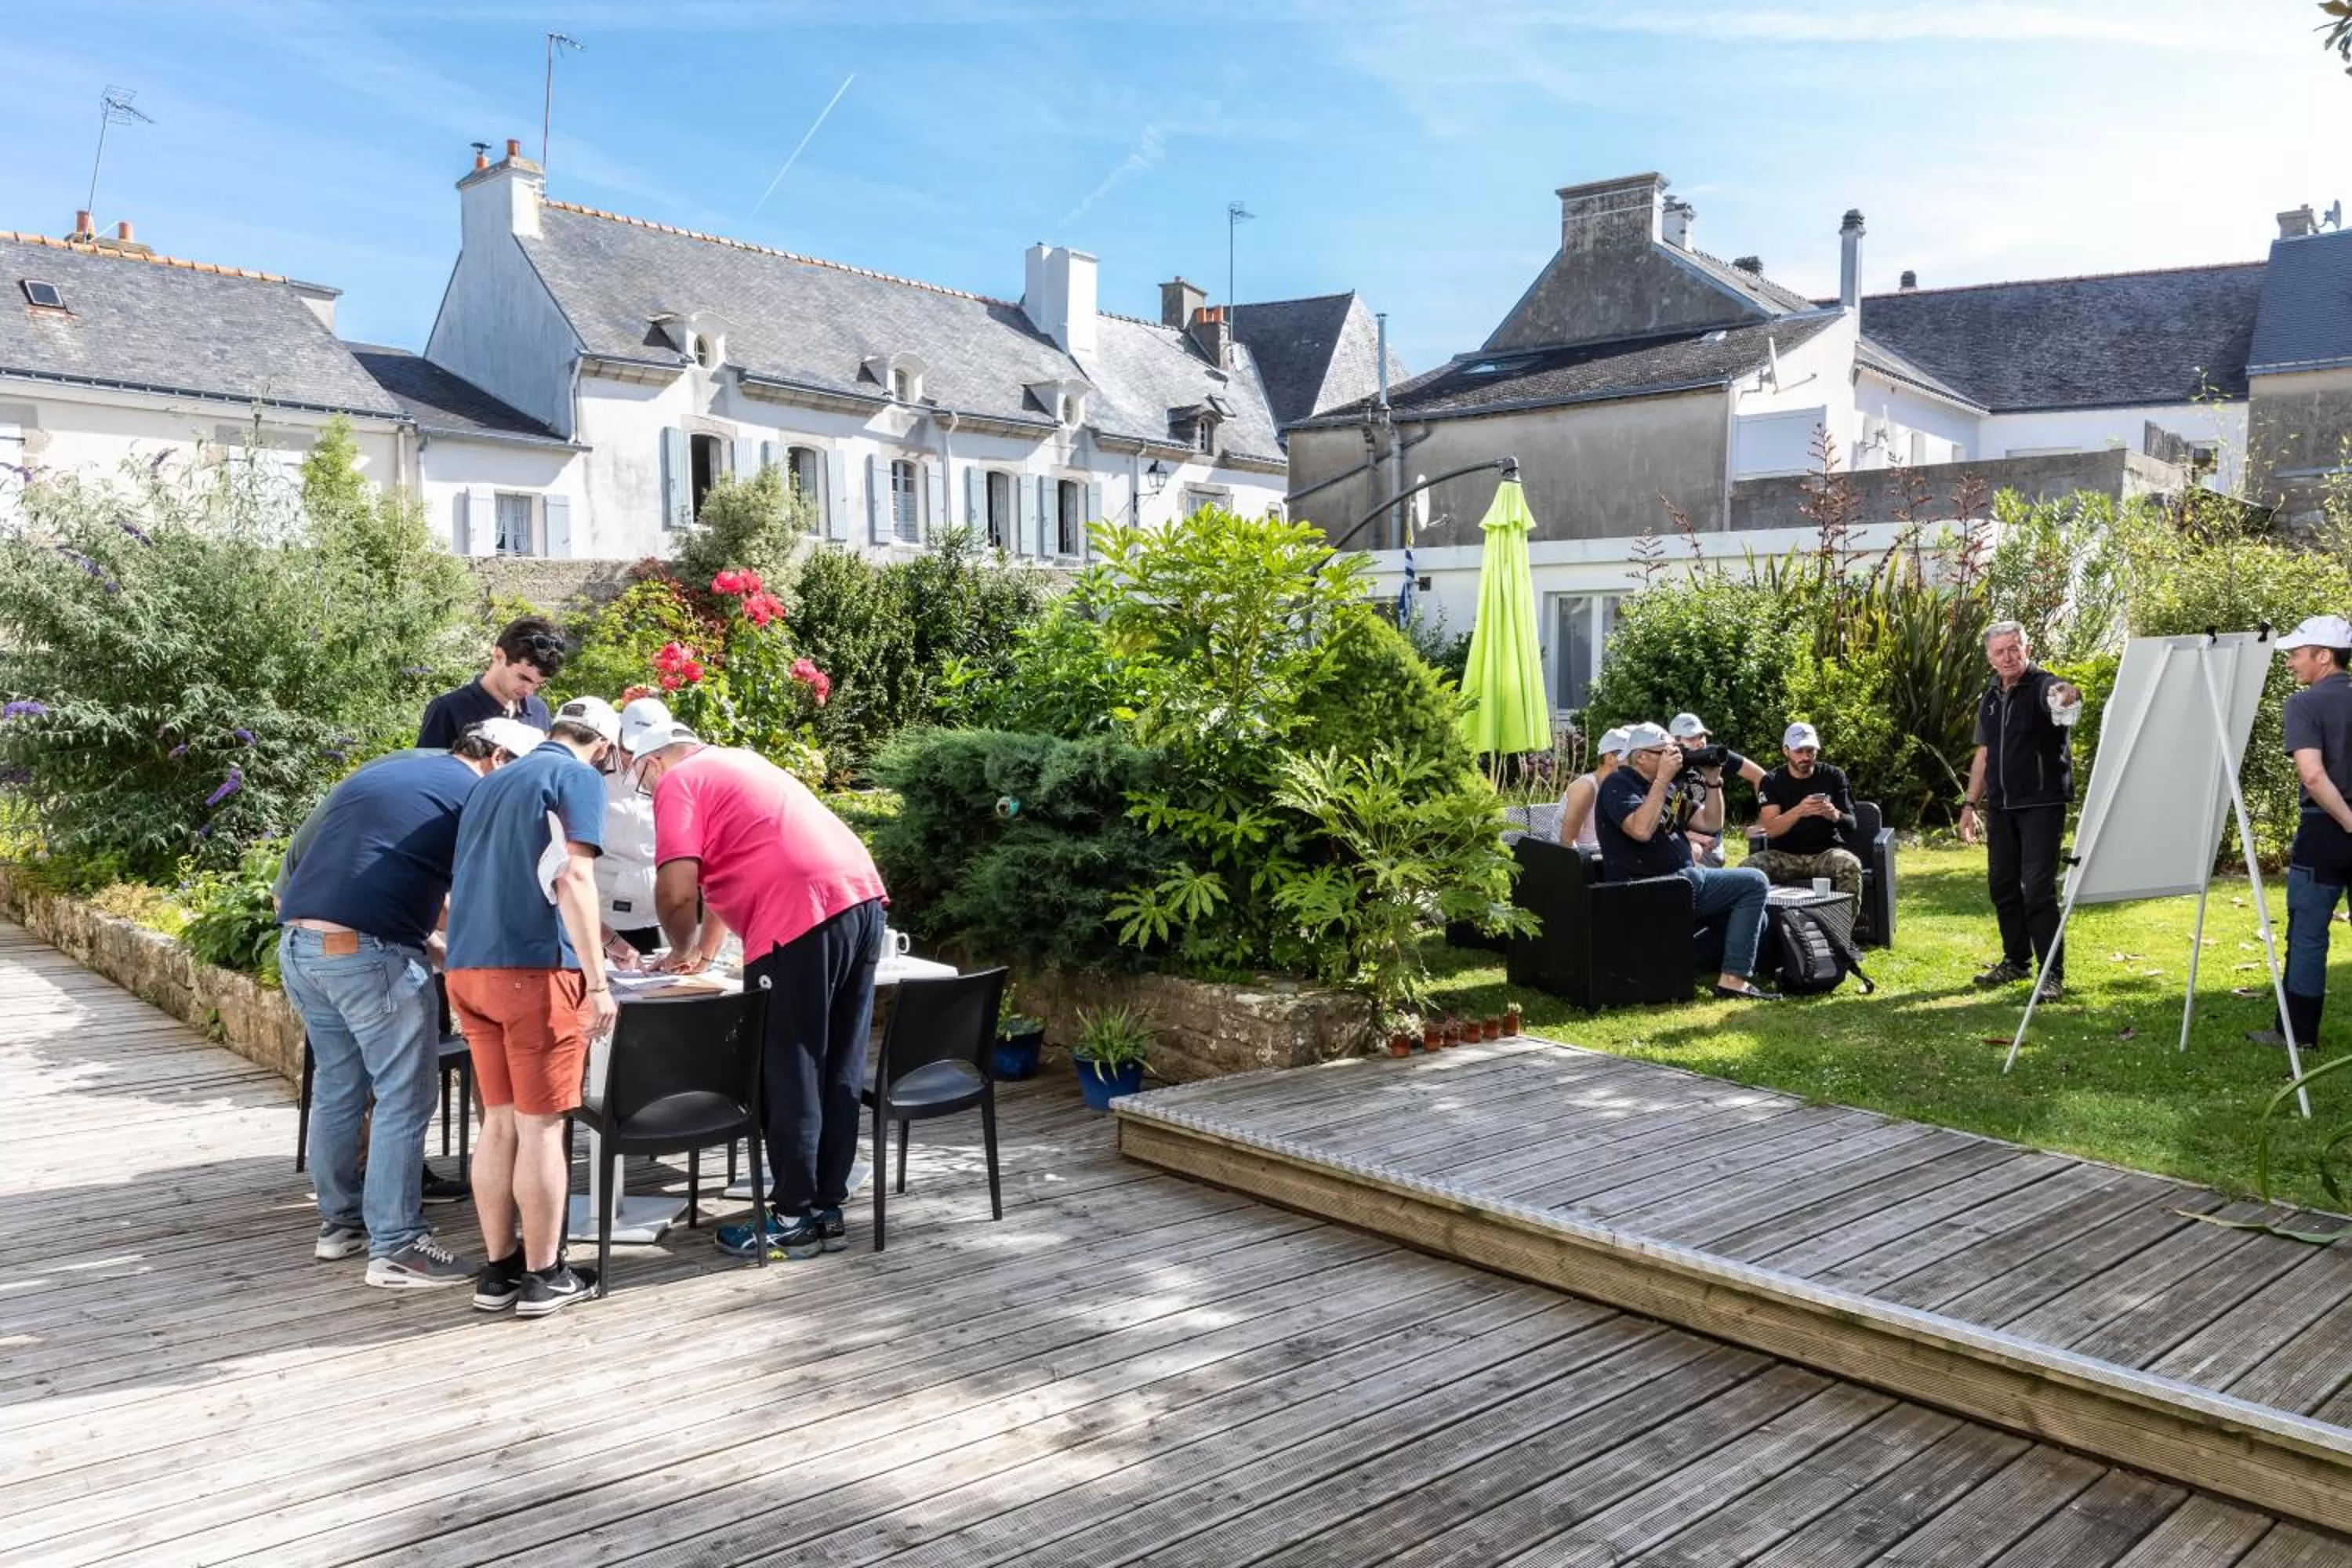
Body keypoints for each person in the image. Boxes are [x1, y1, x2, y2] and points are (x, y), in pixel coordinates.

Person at [630, 723, 888, 1260]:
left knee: (787, 1066)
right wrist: (702, 953)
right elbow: (727, 878)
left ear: (651, 762)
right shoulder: (738, 761)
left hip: (798, 911)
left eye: (640, 780)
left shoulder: (677, 781)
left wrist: (679, 946)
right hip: (860, 899)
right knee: (839, 1061)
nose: (647, 791)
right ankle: (826, 1209)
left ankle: (792, 1216)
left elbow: (678, 892)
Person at [275, 726, 521, 1287]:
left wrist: (431, 945)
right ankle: (397, 1245)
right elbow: (480, 897)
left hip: (299, 945)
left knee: (339, 1086)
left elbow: (379, 875)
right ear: (497, 758)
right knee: (404, 1097)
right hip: (367, 953)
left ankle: (342, 1223)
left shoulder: (394, 770)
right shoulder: (475, 794)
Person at [445, 695, 619, 1318]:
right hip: (533, 971)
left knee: (499, 1122)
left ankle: (499, 1271)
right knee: (542, 1126)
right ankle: (546, 1276)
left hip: (468, 968)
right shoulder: (575, 777)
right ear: (603, 747)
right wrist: (599, 983)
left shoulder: (492, 781)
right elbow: (573, 878)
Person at [1595, 722, 1776, 1000]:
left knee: (1758, 918)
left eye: (1676, 751)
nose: (1676, 757)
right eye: (1666, 752)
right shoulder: (1618, 784)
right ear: (1641, 756)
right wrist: (1662, 780)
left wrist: (1713, 781)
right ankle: (1732, 982)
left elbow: (1710, 823)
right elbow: (1640, 830)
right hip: (1650, 887)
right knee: (1755, 881)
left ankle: (1672, 967)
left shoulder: (1669, 788)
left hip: (1681, 882)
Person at [1959, 621, 2081, 1002]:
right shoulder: (1990, 697)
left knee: (2038, 891)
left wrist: (2068, 695)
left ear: (2027, 649)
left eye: (2015, 648)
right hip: (2001, 807)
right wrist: (1969, 804)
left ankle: (2051, 975)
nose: (2008, 657)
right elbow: (1984, 754)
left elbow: (2063, 695)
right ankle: (2016, 962)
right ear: (1989, 658)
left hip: (2041, 804)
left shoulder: (2043, 686)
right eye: (2000, 651)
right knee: (2002, 886)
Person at [2251, 615, 2352, 1051]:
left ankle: (2297, 1035)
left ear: (2324, 656)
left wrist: (2347, 821)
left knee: (2308, 935)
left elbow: (2312, 775)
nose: (2290, 663)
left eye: (2296, 654)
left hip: (2325, 830)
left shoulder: (2304, 705)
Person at [595, 697, 680, 965]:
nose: (633, 760)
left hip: (655, 914)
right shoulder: (594, 771)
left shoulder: (673, 771)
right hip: (604, 916)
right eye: (628, 750)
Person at [1748, 722, 1864, 898]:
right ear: (1786, 751)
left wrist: (1835, 815)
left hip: (1825, 854)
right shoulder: (1772, 781)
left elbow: (1852, 824)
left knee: (1849, 864)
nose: (1805, 757)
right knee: (1748, 869)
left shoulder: (1833, 775)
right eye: (1799, 751)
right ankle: (1759, 916)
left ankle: (1843, 916)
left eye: (1810, 751)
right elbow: (1771, 829)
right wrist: (1800, 811)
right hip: (1784, 855)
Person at [417, 616, 564, 749]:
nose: (529, 691)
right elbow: (428, 768)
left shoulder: (538, 710)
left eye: (540, 684)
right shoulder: (447, 709)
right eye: (523, 678)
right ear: (499, 655)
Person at [1667, 713, 1766, 867]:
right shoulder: (1666, 766)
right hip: (1679, 836)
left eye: (1701, 736)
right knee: (1693, 852)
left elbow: (1760, 776)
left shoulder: (1713, 756)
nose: (1700, 743)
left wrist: (1763, 821)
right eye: (1691, 738)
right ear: (1675, 741)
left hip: (1711, 836)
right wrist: (1693, 836)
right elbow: (1665, 821)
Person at [1554, 727, 1632, 852]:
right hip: (1582, 858)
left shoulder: (1619, 787)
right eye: (1629, 758)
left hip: (1606, 855)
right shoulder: (1586, 788)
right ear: (1609, 758)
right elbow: (1567, 842)